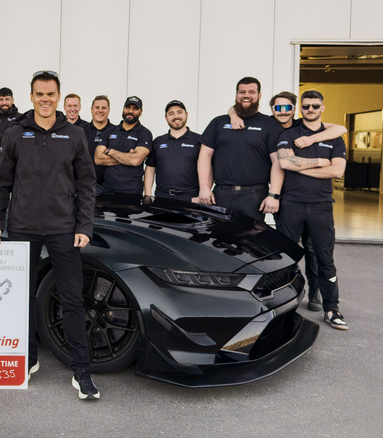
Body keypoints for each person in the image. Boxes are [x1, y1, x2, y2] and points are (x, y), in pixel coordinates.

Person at [0, 70, 99, 400]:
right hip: (22, 226)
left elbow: (86, 185)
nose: (45, 99)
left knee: (72, 298)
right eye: (40, 94)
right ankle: (29, 358)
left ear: (59, 96)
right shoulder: (15, 133)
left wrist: (84, 226)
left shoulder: (75, 134)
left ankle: (81, 369)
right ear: (31, 96)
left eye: (51, 94)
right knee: (22, 297)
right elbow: (1, 183)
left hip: (64, 228)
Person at [229, 91, 348, 310]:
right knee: (285, 253)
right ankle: (286, 297)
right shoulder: (269, 124)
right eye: (277, 108)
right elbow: (283, 163)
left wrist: (309, 144)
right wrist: (322, 162)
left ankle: (315, 294)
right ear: (272, 109)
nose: (282, 112)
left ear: (294, 109)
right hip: (287, 199)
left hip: (314, 202)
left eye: (286, 108)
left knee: (315, 251)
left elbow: (341, 130)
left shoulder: (307, 127)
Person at [276, 90, 348, 330]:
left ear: (322, 108)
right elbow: (285, 162)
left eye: (314, 106)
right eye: (306, 106)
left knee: (325, 258)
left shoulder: (334, 138)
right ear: (301, 109)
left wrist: (300, 166)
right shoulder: (289, 134)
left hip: (321, 206)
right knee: (285, 258)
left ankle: (332, 309)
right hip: (291, 205)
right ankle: (282, 308)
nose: (310, 110)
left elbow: (337, 171)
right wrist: (319, 162)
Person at [197, 77, 283, 221]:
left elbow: (277, 162)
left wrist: (273, 195)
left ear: (259, 95)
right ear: (236, 95)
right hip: (221, 194)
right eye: (242, 92)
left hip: (254, 196)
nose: (246, 95)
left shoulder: (269, 124)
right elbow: (205, 155)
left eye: (252, 92)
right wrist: (204, 188)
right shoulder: (218, 122)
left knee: (250, 240)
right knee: (218, 239)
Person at [144, 100, 202, 202]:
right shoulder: (158, 141)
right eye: (171, 114)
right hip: (162, 197)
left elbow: (208, 169)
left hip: (190, 198)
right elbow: (150, 168)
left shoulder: (199, 140)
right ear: (166, 118)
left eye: (179, 112)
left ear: (186, 114)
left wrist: (202, 194)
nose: (176, 117)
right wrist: (148, 194)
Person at [94, 96, 153, 195]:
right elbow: (98, 159)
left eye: (135, 109)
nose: (130, 111)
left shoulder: (144, 133)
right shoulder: (109, 131)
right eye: (128, 107)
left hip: (131, 190)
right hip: (106, 188)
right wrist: (126, 157)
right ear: (123, 109)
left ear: (141, 112)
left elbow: (135, 160)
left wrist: (110, 151)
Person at [83, 95, 115, 184]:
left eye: (104, 108)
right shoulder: (80, 131)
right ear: (91, 109)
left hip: (110, 186)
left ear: (108, 110)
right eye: (97, 107)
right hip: (84, 185)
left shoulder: (116, 132)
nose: (100, 110)